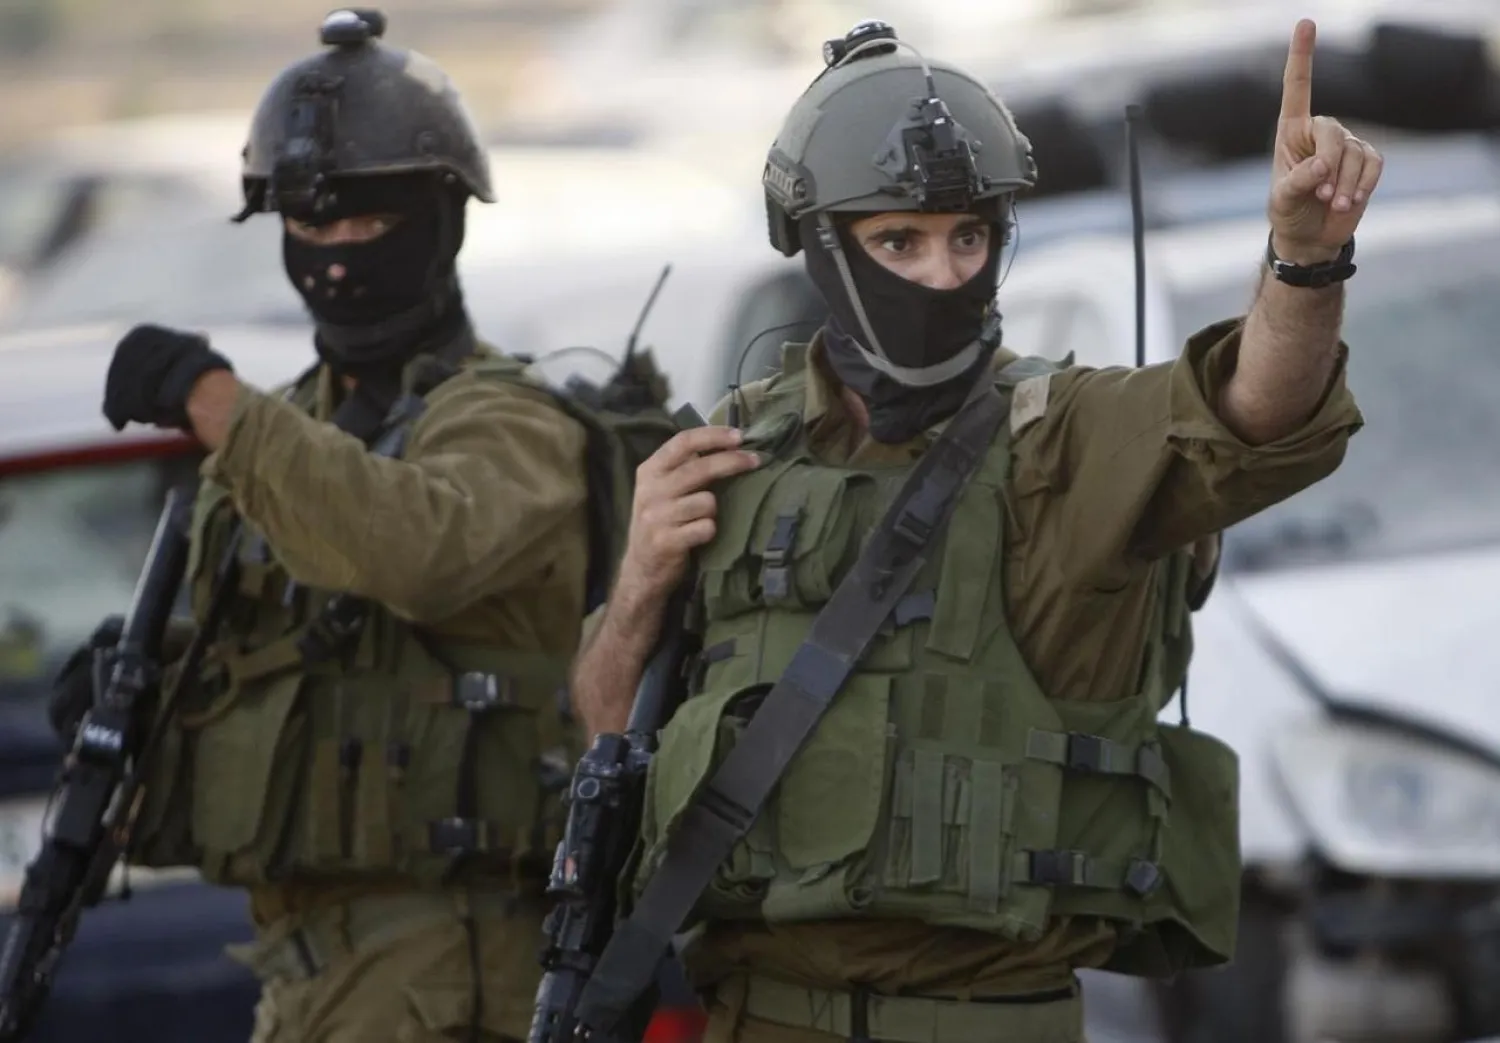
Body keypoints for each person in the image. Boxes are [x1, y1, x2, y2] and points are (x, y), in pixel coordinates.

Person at [568, 17, 1375, 1043]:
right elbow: (603, 733)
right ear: (821, 248)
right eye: (898, 241)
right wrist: (639, 579)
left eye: (969, 236)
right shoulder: (732, 459)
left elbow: (1257, 407)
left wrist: (1305, 261)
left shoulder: (1065, 439)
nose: (944, 273)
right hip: (750, 1013)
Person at [47, 10, 593, 1042]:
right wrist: (135, 697)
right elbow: (253, 673)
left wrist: (215, 404)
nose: (336, 257)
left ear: (442, 218)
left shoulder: (509, 419)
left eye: (370, 225)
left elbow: (417, 547)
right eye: (310, 226)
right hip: (303, 964)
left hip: (455, 973)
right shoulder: (284, 432)